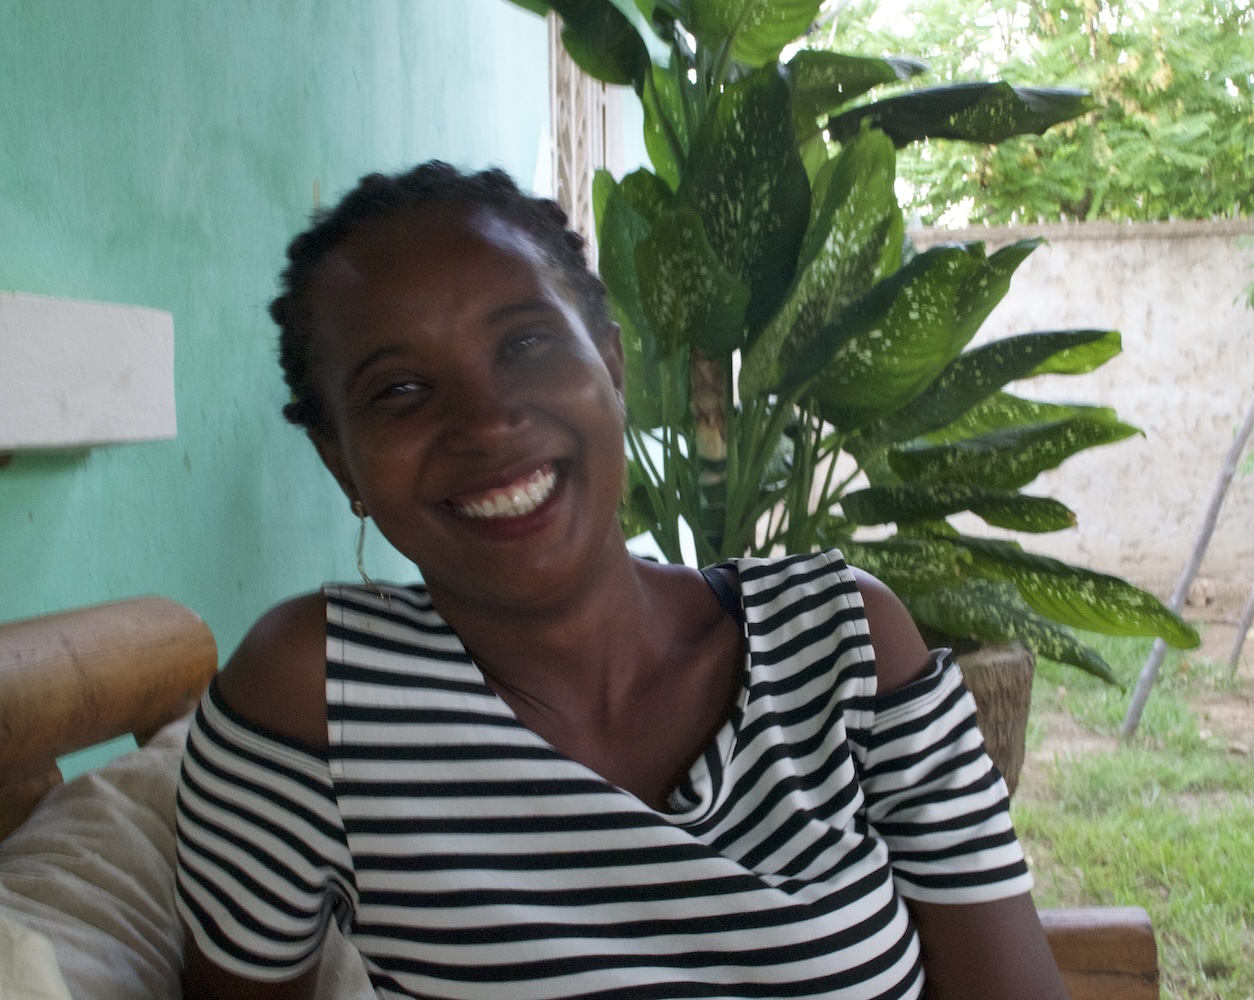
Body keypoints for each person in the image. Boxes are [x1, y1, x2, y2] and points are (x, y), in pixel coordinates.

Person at [174, 162, 1069, 1000]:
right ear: (342, 465)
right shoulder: (317, 703)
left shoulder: (842, 643)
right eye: (400, 391)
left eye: (524, 342)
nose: (485, 423)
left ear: (609, 365)